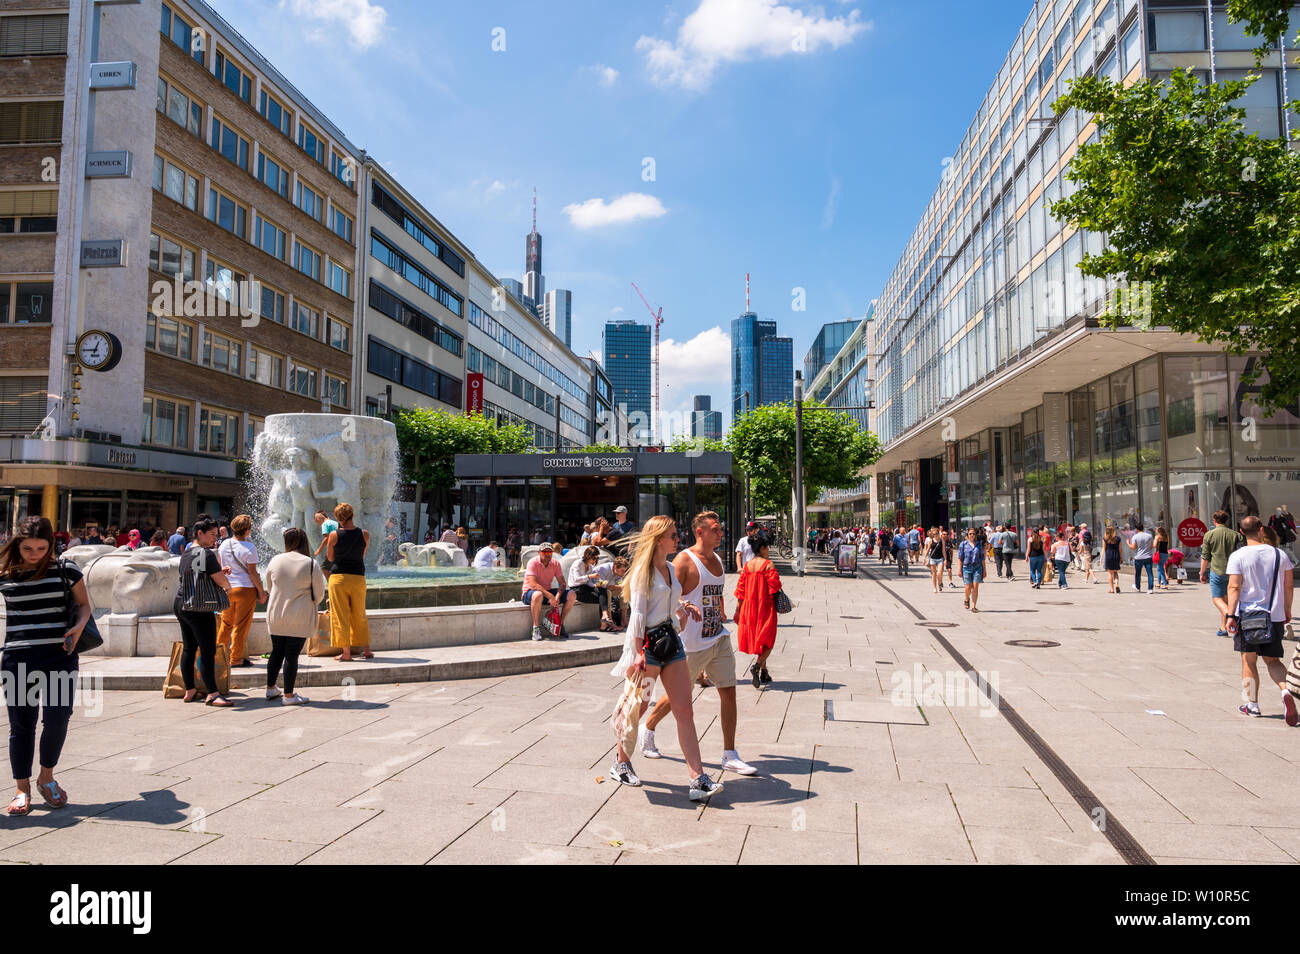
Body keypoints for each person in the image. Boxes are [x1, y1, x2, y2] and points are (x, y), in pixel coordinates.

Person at [608, 515, 721, 801]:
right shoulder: (642, 574)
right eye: (672, 535)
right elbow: (639, 616)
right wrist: (638, 653)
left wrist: (684, 608)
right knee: (637, 707)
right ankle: (621, 763)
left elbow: (669, 609)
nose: (677, 538)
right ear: (658, 539)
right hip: (648, 648)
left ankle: (698, 778)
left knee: (686, 711)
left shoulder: (671, 568)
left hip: (671, 645)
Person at [639, 512, 757, 775]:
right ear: (700, 532)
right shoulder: (684, 560)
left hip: (718, 636)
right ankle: (648, 727)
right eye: (715, 529)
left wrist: (725, 612)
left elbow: (715, 593)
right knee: (676, 699)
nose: (721, 533)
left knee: (729, 691)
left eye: (721, 528)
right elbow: (667, 594)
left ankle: (730, 754)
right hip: (691, 643)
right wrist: (682, 607)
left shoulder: (716, 559)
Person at [0, 517, 91, 815]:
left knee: (57, 719)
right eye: (27, 548)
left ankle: (46, 777)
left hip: (60, 655)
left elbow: (84, 605)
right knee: (21, 725)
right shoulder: (6, 572)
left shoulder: (67, 569)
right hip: (18, 658)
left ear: (51, 545)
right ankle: (21, 788)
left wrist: (78, 628)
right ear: (17, 543)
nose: (34, 553)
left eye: (41, 547)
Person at [1225, 516, 1296, 724]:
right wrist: (1287, 610)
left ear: (1240, 531)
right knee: (1273, 660)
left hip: (1248, 616)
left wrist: (1230, 615)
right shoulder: (1279, 554)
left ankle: (1252, 704)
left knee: (1249, 659)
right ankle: (1285, 691)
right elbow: (1289, 586)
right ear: (1262, 529)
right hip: (1274, 616)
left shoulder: (1238, 556)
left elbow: (1234, 587)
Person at [174, 516, 234, 707]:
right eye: (212, 535)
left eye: (216, 535)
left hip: (182, 603)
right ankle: (213, 694)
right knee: (207, 650)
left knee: (189, 648)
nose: (214, 539)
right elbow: (219, 580)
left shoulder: (187, 553)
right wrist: (227, 585)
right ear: (199, 533)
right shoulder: (206, 554)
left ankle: (190, 690)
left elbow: (196, 575)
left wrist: (217, 572)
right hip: (200, 607)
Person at [263, 527, 326, 706]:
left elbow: (269, 586)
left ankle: (270, 687)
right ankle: (289, 696)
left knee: (276, 652)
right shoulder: (310, 563)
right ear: (304, 541)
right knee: (291, 655)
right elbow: (319, 593)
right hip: (299, 614)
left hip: (276, 613)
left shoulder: (275, 560)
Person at [735, 529, 783, 688]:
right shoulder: (768, 564)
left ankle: (764, 671)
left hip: (749, 607)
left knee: (759, 640)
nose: (768, 549)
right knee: (768, 641)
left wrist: (737, 610)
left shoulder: (747, 566)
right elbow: (774, 587)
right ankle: (757, 666)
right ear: (762, 548)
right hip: (765, 607)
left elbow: (740, 590)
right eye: (767, 547)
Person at [325, 503, 371, 662]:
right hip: (358, 577)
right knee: (360, 613)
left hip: (338, 578)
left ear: (338, 518)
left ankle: (346, 653)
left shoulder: (334, 535)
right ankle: (366, 650)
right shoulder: (364, 534)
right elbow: (362, 555)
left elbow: (330, 558)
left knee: (340, 615)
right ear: (352, 514)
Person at [1200, 509, 1245, 638]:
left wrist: (1202, 572)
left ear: (1214, 521)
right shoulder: (1236, 535)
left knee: (1217, 599)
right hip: (1234, 572)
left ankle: (1230, 615)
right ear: (1227, 521)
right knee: (1227, 599)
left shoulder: (1209, 535)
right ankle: (1224, 627)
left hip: (1217, 571)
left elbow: (1205, 556)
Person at [521, 542, 570, 641]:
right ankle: (536, 629)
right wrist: (551, 597)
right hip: (529, 593)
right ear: (539, 552)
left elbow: (563, 583)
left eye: (550, 552)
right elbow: (533, 584)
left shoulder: (555, 563)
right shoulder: (532, 562)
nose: (547, 554)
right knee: (538, 594)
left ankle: (559, 624)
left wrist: (557, 596)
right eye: (545, 552)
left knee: (572, 594)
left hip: (546, 592)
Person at [567, 545, 614, 629]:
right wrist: (590, 576)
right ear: (588, 556)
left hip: (585, 588)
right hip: (576, 590)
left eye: (596, 558)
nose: (595, 560)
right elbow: (576, 580)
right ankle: (604, 622)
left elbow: (589, 583)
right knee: (603, 598)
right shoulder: (578, 563)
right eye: (593, 558)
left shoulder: (591, 567)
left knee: (603, 590)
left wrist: (596, 585)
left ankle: (604, 616)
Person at [957, 528, 984, 612]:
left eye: (973, 534)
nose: (972, 535)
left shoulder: (979, 545)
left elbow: (982, 557)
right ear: (967, 535)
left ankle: (973, 606)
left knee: (975, 587)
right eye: (970, 534)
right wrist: (959, 569)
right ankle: (966, 599)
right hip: (966, 568)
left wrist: (984, 570)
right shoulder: (963, 544)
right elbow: (960, 558)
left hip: (977, 567)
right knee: (968, 587)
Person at [1127, 522, 1155, 593]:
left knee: (1138, 573)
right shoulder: (1149, 536)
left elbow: (1133, 547)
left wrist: (1128, 543)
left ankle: (1138, 587)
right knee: (1150, 573)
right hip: (1148, 557)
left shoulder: (1135, 537)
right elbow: (1151, 546)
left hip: (1138, 557)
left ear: (1136, 529)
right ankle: (1150, 589)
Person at [312, 509, 338, 576]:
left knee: (324, 568)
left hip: (333, 550)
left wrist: (318, 550)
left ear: (318, 519)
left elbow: (327, 538)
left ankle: (331, 585)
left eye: (316, 520)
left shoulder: (325, 524)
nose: (317, 523)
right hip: (340, 549)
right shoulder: (335, 523)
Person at [1103, 525, 1123, 593]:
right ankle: (1117, 585)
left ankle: (1112, 589)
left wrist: (1101, 558)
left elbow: (1104, 549)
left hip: (1108, 555)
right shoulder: (1118, 539)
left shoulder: (1105, 539)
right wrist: (1121, 557)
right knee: (1115, 572)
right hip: (1116, 555)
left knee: (1109, 573)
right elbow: (1120, 549)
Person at [926, 527, 945, 594]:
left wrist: (945, 559)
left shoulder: (941, 540)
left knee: (939, 573)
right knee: (934, 574)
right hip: (933, 558)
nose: (935, 535)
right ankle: (934, 587)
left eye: (936, 533)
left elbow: (943, 550)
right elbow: (928, 550)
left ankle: (939, 583)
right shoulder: (931, 541)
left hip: (940, 559)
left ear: (938, 533)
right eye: (934, 534)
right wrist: (924, 558)